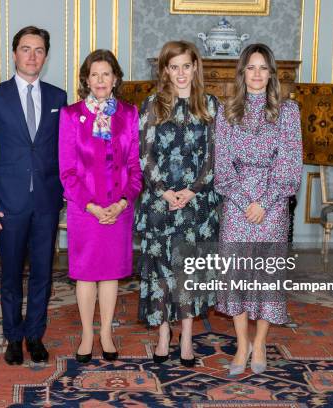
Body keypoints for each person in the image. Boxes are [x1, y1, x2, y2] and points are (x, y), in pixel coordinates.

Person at [0, 26, 67, 365]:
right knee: (11, 273)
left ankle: (34, 335)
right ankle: (13, 337)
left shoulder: (59, 97)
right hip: (7, 202)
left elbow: (64, 151)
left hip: (46, 202)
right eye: (26, 49)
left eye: (39, 50)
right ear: (14, 54)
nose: (32, 56)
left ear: (46, 55)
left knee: (43, 273)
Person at [214, 43, 302, 375]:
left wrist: (264, 203)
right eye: (250, 68)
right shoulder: (227, 111)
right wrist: (243, 201)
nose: (256, 74)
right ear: (242, 73)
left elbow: (291, 165)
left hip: (274, 204)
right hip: (236, 205)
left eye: (263, 68)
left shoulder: (288, 112)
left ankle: (261, 341)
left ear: (271, 74)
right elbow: (222, 166)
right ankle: (241, 344)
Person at [136, 41, 220, 367]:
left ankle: (186, 335)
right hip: (160, 203)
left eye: (186, 66)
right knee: (161, 271)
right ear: (165, 70)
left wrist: (193, 190)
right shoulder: (152, 105)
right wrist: (163, 191)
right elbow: (145, 153)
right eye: (174, 67)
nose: (181, 73)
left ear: (195, 67)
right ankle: (162, 334)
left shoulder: (210, 105)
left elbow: (215, 155)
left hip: (196, 205)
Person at [59, 49, 142, 363]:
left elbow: (135, 168)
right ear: (86, 79)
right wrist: (92, 207)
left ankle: (106, 332)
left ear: (116, 78)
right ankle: (86, 334)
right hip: (85, 210)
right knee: (85, 274)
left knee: (109, 275)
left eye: (106, 73)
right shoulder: (70, 115)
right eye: (94, 74)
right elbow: (67, 171)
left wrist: (122, 203)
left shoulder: (130, 114)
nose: (100, 80)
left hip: (119, 209)